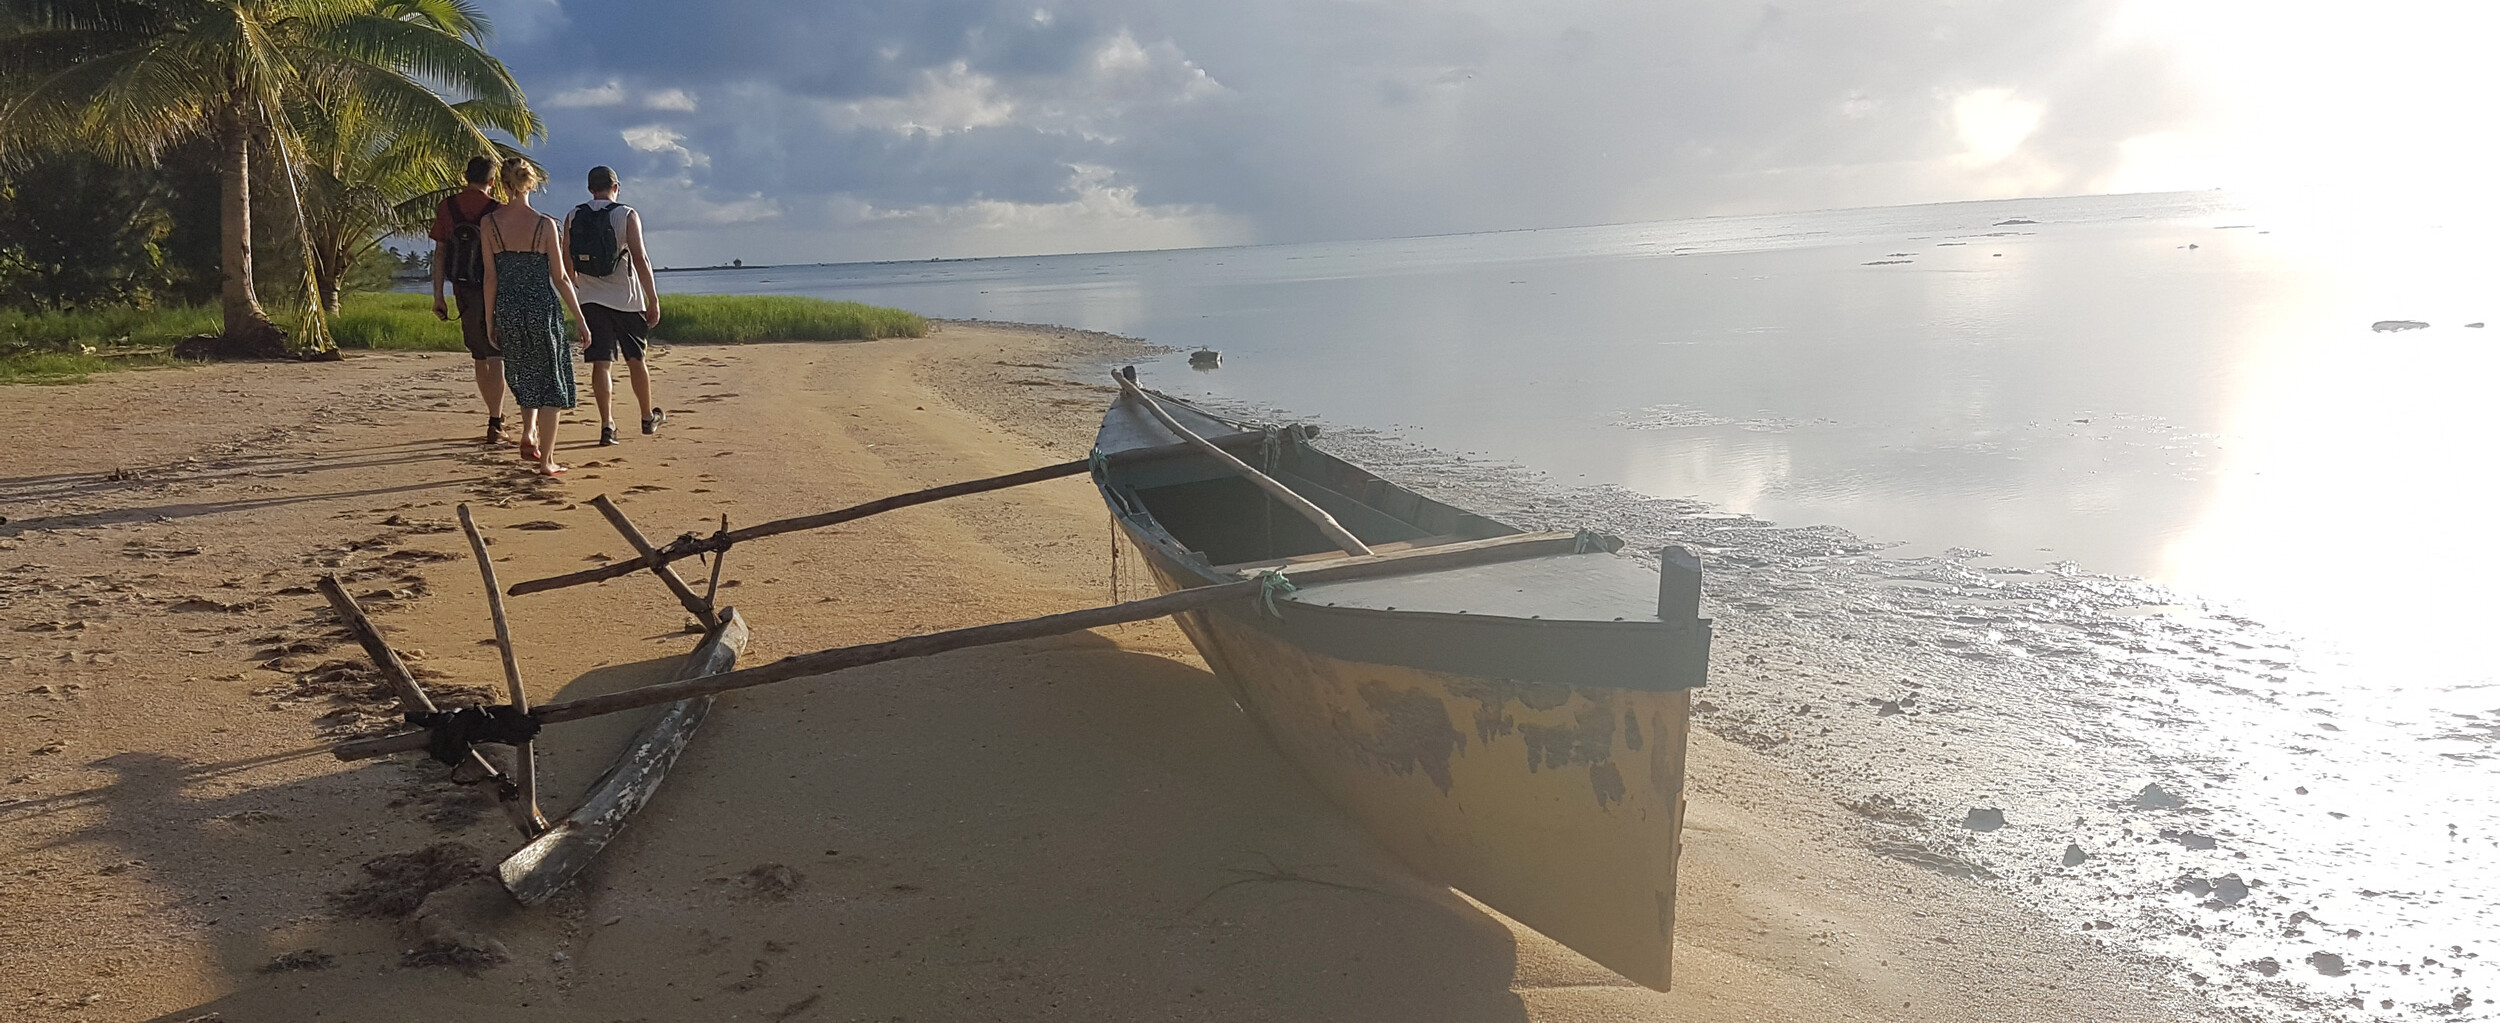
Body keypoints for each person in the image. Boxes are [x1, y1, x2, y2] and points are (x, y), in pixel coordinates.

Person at [480, 158, 593, 476]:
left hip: (508, 309)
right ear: (532, 184)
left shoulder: (489, 224)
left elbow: (491, 277)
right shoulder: (546, 225)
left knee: (524, 376)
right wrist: (581, 319)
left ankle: (529, 433)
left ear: (503, 184)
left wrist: (490, 319)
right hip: (542, 310)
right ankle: (547, 460)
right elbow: (560, 279)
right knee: (551, 385)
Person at [565, 166, 665, 444]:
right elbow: (641, 259)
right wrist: (652, 299)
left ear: (590, 189)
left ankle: (607, 425)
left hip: (590, 300)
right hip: (628, 300)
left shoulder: (574, 215)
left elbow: (566, 261)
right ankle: (647, 416)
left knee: (601, 363)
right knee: (636, 359)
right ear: (616, 187)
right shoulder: (627, 214)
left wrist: (579, 287)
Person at [429, 156, 505, 442]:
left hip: (463, 292)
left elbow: (439, 254)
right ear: (492, 182)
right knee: (497, 353)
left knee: (479, 355)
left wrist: (438, 296)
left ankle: (493, 415)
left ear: (465, 176)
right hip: (494, 291)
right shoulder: (498, 210)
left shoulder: (447, 207)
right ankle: (495, 420)